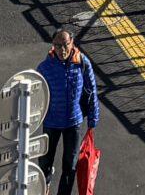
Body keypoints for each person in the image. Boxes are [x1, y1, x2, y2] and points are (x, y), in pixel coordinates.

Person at [39, 25, 100, 195]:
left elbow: (92, 89)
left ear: (72, 42)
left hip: (74, 122)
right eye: (57, 45)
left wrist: (93, 119)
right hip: (51, 122)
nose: (62, 49)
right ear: (53, 45)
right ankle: (44, 189)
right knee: (45, 162)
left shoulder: (82, 62)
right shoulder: (44, 67)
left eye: (65, 44)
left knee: (70, 166)